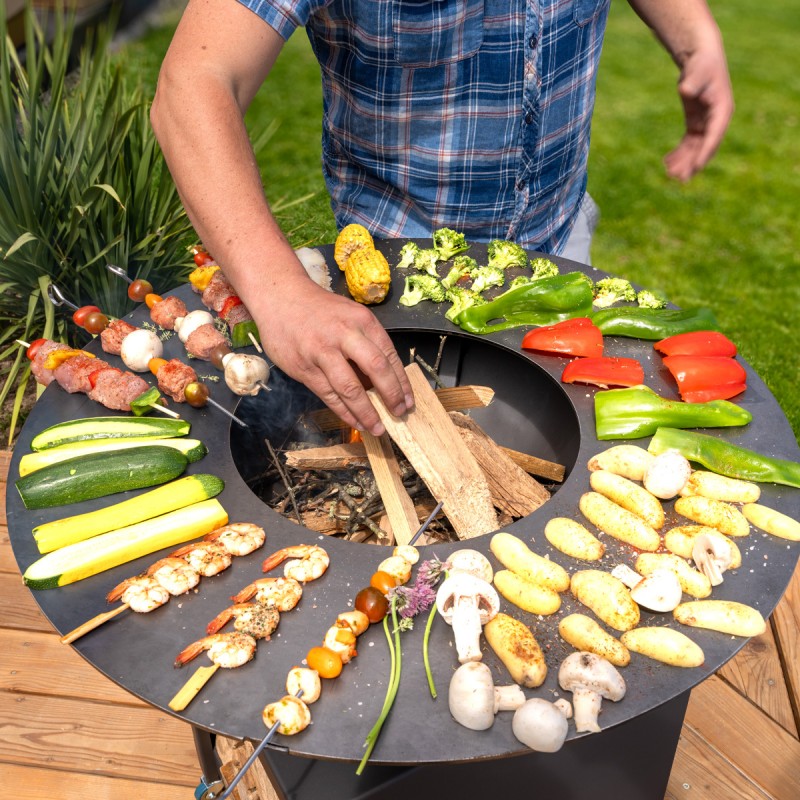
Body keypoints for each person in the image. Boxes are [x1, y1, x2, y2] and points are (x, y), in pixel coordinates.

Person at [150, 0, 733, 436]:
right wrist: (278, 292)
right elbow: (194, 82)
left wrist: (694, 38)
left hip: (558, 234)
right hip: (400, 287)